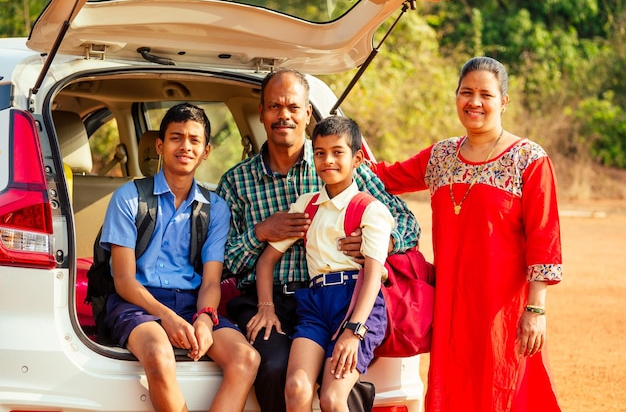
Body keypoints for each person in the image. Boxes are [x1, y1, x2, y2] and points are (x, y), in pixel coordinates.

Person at [216, 68, 420, 412]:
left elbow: (407, 223)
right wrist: (259, 234)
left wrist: (381, 244)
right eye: (275, 107)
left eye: (294, 107)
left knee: (337, 378)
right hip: (270, 301)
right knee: (279, 369)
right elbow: (219, 261)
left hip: (347, 296)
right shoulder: (237, 182)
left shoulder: (336, 160)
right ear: (262, 112)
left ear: (307, 112)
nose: (284, 115)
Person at [370, 57, 563, 412]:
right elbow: (383, 177)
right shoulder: (442, 155)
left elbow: (544, 237)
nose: (474, 102)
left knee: (502, 388)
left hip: (503, 307)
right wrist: (339, 152)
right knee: (453, 387)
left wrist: (535, 309)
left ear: (503, 101)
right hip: (452, 303)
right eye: (466, 92)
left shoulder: (528, 159)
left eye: (485, 94)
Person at [100, 103, 260, 412]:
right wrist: (167, 317)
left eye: (194, 140)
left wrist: (205, 316)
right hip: (136, 303)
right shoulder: (128, 198)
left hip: (191, 303)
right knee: (160, 354)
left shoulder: (216, 208)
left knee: (246, 358)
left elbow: (212, 280)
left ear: (206, 151)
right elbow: (124, 281)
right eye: (176, 137)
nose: (185, 146)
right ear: (160, 145)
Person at [253, 116, 391, 412]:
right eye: (319, 152)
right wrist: (267, 307)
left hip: (356, 304)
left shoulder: (371, 210)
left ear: (357, 159)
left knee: (332, 398)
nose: (327, 160)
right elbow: (266, 262)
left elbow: (373, 275)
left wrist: (354, 331)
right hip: (315, 304)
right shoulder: (306, 205)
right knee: (297, 387)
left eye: (337, 152)